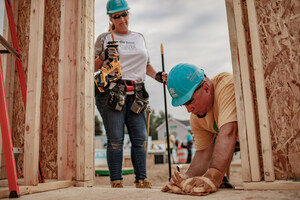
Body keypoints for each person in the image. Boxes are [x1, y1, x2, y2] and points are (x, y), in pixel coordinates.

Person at [94, 0, 166, 188]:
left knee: (140, 138)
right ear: (110, 18)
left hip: (137, 93)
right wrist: (103, 57)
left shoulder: (139, 37)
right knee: (116, 139)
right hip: (112, 92)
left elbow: (146, 65)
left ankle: (141, 178)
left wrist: (157, 75)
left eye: (124, 14)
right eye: (116, 16)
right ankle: (116, 181)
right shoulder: (104, 38)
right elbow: (91, 67)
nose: (122, 19)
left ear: (128, 14)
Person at [162, 63, 238, 196]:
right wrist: (186, 177)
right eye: (183, 105)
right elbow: (203, 153)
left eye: (190, 101)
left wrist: (213, 176)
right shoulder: (196, 117)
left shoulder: (226, 86)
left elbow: (228, 133)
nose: (188, 109)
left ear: (207, 88)